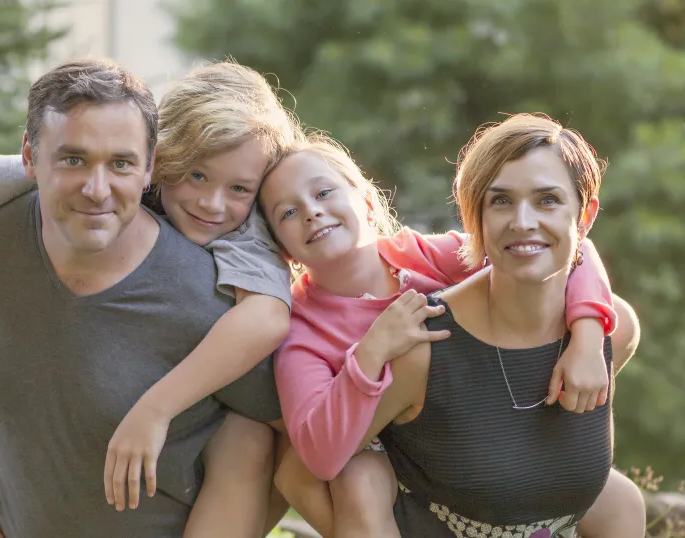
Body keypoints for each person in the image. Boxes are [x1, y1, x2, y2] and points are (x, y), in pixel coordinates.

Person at [0, 59, 292, 538]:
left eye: (120, 163)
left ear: (147, 165)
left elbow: (291, 436)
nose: (97, 188)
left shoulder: (226, 288)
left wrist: (156, 409)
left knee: (245, 439)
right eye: (73, 159)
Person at [257, 124, 644, 537]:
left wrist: (587, 331)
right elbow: (314, 458)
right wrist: (372, 349)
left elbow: (571, 249)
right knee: (359, 482)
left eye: (323, 193)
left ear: (368, 202)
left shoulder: (426, 258)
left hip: (459, 417)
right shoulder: (301, 331)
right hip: (369, 438)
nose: (312, 212)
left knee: (618, 498)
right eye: (288, 212)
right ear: (279, 245)